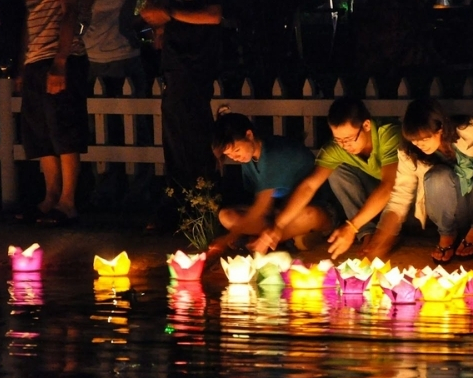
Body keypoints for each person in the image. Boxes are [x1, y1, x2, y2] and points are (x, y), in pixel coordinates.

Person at [364, 98, 473, 263]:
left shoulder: (467, 130)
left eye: (424, 139)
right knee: (437, 176)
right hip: (450, 210)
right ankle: (447, 236)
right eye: (414, 140)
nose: (419, 144)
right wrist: (380, 238)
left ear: (439, 129)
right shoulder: (408, 152)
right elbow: (401, 195)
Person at [254, 97, 401, 259]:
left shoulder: (387, 134)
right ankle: (368, 232)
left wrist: (351, 227)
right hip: (377, 192)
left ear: (366, 125)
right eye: (339, 140)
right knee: (337, 170)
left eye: (349, 139)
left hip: (410, 195)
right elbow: (310, 185)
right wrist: (278, 225)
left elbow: (389, 185)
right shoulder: (337, 148)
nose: (345, 145)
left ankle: (388, 232)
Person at [206, 108, 336, 256]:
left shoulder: (274, 153)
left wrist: (228, 237)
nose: (235, 157)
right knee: (226, 215)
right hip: (278, 213)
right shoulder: (248, 160)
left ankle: (266, 239)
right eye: (229, 154)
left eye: (236, 150)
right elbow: (262, 207)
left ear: (249, 135)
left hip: (316, 208)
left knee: (309, 215)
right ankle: (286, 238)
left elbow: (261, 205)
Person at [140, 0, 222, 232]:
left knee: (191, 135)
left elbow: (213, 14)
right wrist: (161, 29)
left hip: (193, 65)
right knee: (175, 136)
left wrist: (168, 13)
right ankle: (182, 203)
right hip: (177, 63)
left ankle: (194, 204)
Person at [14, 0, 89, 227]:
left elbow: (70, 13)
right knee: (41, 132)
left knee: (64, 129)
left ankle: (68, 202)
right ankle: (51, 196)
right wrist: (23, 67)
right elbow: (29, 24)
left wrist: (60, 60)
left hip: (60, 57)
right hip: (35, 59)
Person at [83, 0, 154, 211]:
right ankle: (106, 189)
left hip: (124, 56)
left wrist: (132, 27)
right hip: (94, 56)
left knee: (133, 125)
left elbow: (149, 9)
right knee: (101, 128)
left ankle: (138, 189)